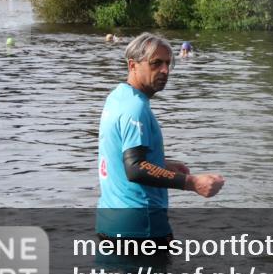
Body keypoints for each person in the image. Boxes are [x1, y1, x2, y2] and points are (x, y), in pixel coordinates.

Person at [96, 33, 225, 242]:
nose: (165, 70)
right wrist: (192, 183)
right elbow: (136, 168)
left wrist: (161, 163)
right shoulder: (135, 109)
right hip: (140, 230)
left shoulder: (117, 98)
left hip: (110, 223)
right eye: (156, 63)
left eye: (168, 63)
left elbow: (119, 157)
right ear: (133, 65)